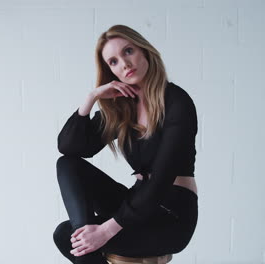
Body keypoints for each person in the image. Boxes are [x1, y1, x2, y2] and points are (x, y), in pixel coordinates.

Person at [53, 24, 199, 264]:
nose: (124, 63)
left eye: (128, 51)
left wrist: (106, 231)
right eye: (113, 61)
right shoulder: (123, 107)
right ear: (111, 71)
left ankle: (89, 243)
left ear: (144, 51)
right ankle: (87, 240)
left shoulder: (176, 101)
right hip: (138, 201)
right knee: (67, 168)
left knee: (75, 239)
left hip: (171, 215)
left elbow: (161, 180)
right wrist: (92, 98)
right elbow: (70, 148)